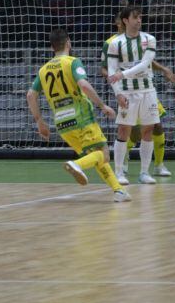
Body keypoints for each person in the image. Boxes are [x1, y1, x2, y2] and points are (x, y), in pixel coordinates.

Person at [27, 27, 129, 202]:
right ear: (68, 43)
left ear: (52, 47)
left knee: (95, 155)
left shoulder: (43, 70)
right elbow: (83, 84)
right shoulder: (72, 62)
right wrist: (102, 105)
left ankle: (118, 191)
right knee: (103, 153)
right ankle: (76, 164)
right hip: (81, 117)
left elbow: (31, 95)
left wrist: (39, 121)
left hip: (61, 122)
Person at [104, 15, 175, 178]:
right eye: (134, 18)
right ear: (122, 22)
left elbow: (146, 62)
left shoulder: (146, 39)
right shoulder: (112, 43)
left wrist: (163, 69)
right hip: (126, 90)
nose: (138, 21)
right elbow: (107, 69)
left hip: (147, 90)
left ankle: (154, 167)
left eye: (140, 18)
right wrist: (117, 88)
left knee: (153, 127)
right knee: (127, 130)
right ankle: (122, 168)